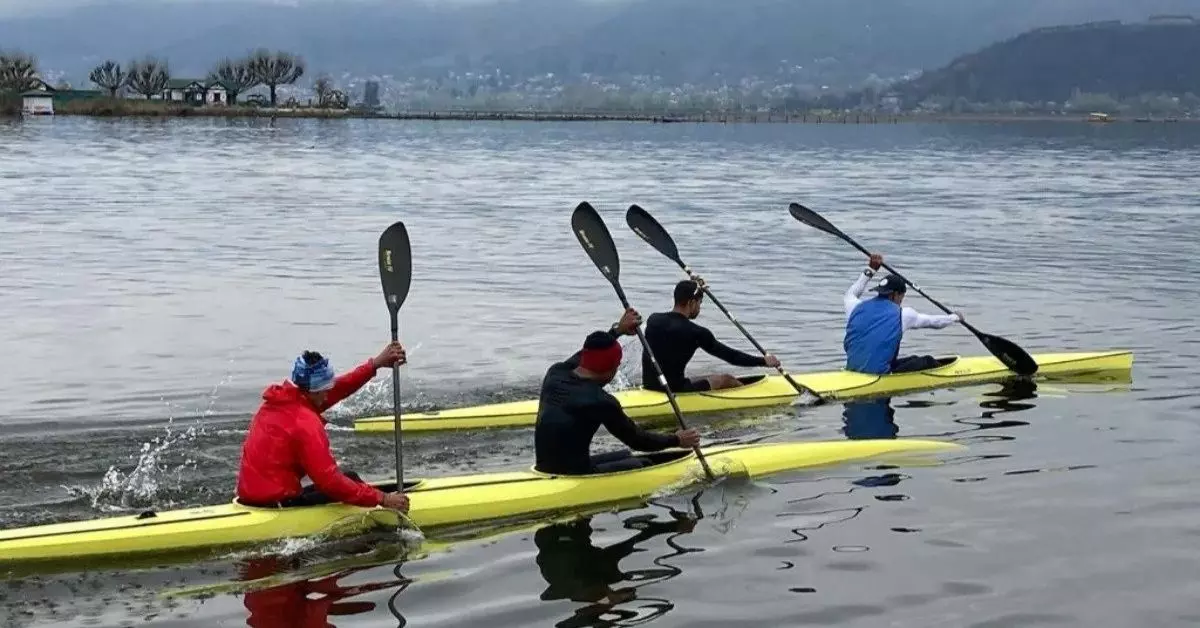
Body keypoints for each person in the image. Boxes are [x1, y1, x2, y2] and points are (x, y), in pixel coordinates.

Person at [236, 342, 411, 511]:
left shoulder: (279, 401)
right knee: (349, 479)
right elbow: (330, 481)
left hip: (249, 498)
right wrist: (382, 499)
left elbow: (339, 388)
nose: (329, 394)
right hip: (279, 506)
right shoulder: (305, 423)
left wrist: (375, 365)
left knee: (348, 478)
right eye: (326, 389)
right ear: (315, 391)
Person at [534, 307, 701, 475]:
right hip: (574, 474)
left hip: (545, 466)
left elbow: (586, 353)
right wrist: (677, 439)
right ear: (611, 369)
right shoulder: (601, 401)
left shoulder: (556, 372)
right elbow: (638, 440)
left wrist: (618, 330)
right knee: (641, 463)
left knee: (625, 455)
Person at [641, 278, 780, 393]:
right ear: (691, 302)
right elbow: (731, 357)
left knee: (706, 377)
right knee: (726, 379)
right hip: (674, 390)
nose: (699, 308)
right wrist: (763, 361)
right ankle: (751, 397)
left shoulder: (653, 319)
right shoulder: (697, 332)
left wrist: (695, 286)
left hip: (649, 386)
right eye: (700, 303)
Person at [843, 253, 963, 374]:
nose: (901, 301)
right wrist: (955, 317)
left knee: (913, 360)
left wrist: (871, 269)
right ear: (894, 295)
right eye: (901, 297)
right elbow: (934, 322)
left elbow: (850, 294)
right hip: (879, 374)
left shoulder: (855, 307)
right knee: (928, 361)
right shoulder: (903, 315)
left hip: (852, 370)